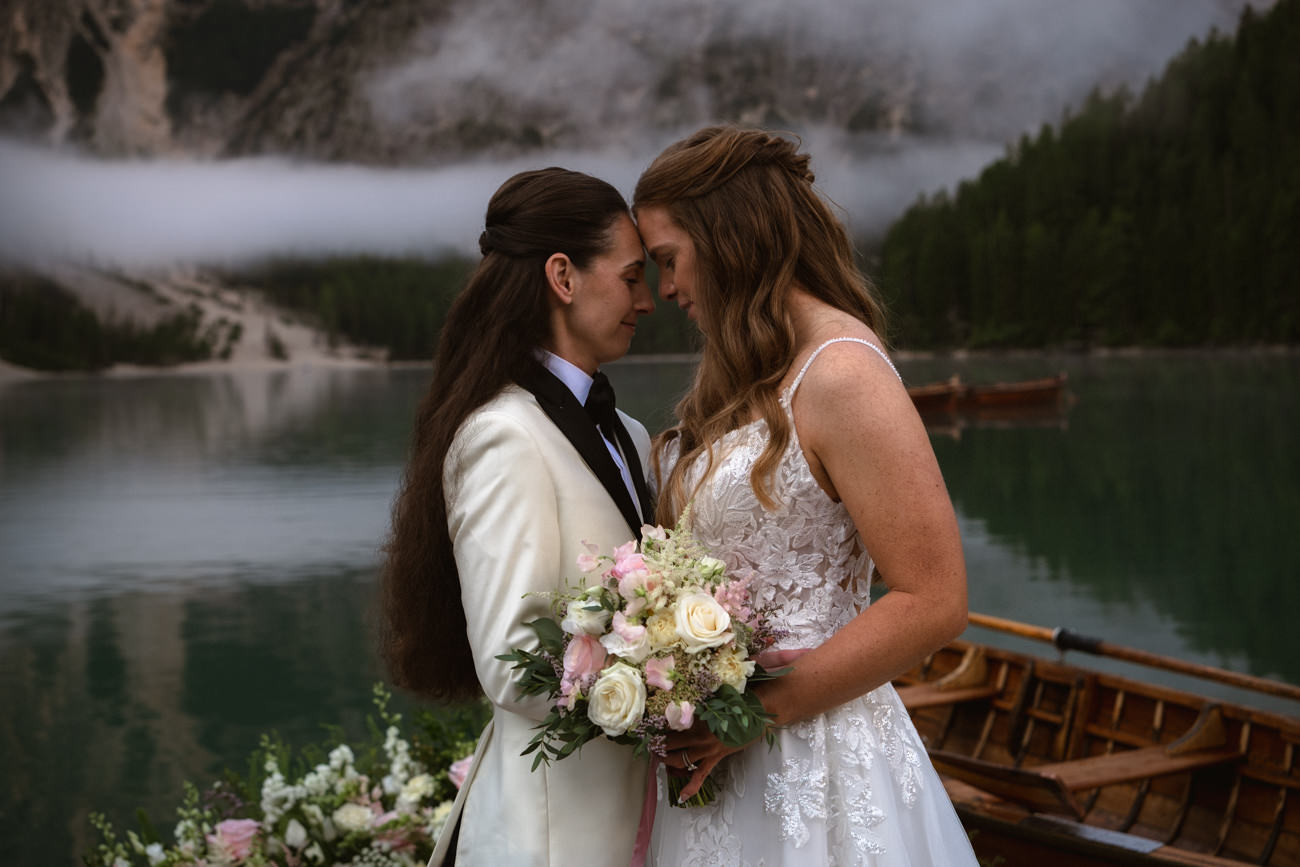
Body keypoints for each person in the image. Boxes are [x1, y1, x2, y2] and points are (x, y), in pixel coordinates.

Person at [633, 127, 979, 865]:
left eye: (669, 259)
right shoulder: (751, 377)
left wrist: (758, 710)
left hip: (815, 758)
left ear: (726, 236)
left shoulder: (842, 373)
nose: (665, 290)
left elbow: (935, 596)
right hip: (729, 761)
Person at [379, 167, 657, 866]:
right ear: (563, 276)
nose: (647, 301)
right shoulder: (504, 435)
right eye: (630, 278)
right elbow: (512, 663)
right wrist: (673, 673)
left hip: (633, 820)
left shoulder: (632, 432)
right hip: (552, 836)